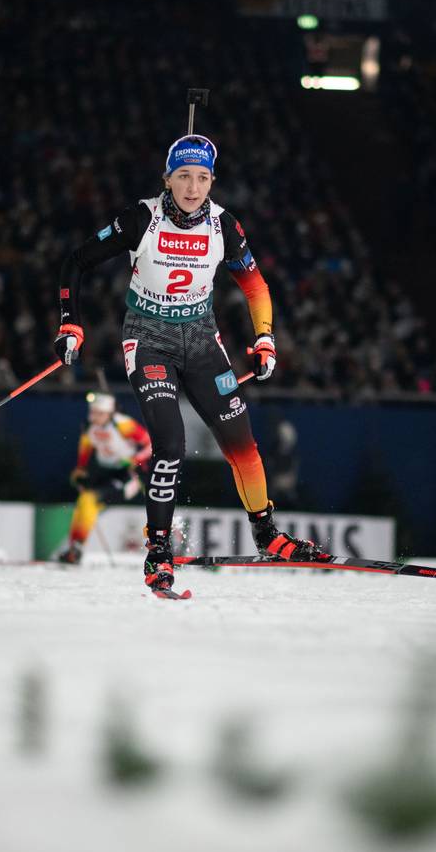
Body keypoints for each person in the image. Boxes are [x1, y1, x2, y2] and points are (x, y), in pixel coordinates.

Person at [53, 132, 326, 593]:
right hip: (148, 339)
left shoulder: (224, 226)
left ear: (212, 181)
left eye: (202, 177)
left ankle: (267, 534)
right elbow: (76, 262)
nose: (193, 187)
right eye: (183, 176)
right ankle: (158, 550)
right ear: (167, 178)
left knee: (242, 442)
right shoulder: (142, 218)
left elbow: (256, 286)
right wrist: (69, 324)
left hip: (200, 340)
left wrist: (264, 338)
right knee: (170, 445)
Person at [57, 391, 151, 564]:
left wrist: (135, 459)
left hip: (127, 475)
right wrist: (80, 470)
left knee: (90, 499)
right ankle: (74, 549)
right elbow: (85, 447)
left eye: (100, 413)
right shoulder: (89, 426)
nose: (95, 417)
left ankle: (76, 548)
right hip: (105, 473)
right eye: (93, 412)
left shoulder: (123, 424)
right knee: (84, 501)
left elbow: (151, 444)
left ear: (109, 413)